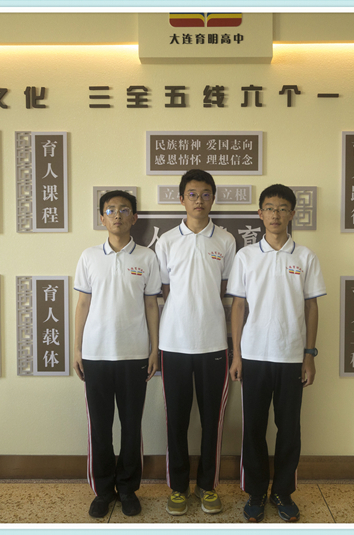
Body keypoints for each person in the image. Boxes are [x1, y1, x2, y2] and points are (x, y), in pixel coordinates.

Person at [227, 184, 327, 523]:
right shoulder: (246, 256)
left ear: (292, 214)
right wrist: (237, 355)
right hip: (254, 356)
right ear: (260, 214)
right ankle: (256, 492)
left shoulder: (305, 257)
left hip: (291, 357)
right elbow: (238, 306)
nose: (275, 214)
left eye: (283, 208)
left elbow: (311, 307)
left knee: (289, 430)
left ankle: (283, 492)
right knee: (254, 428)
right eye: (269, 208)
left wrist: (309, 355)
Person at [73, 190, 162, 519]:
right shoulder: (89, 257)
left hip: (134, 355)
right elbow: (83, 303)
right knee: (99, 427)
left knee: (130, 427)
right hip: (95, 355)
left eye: (124, 210)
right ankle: (103, 490)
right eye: (110, 210)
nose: (117, 215)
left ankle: (127, 488)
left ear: (134, 218)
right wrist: (77, 348)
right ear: (102, 218)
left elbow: (151, 305)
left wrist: (154, 349)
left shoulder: (147, 258)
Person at [156, 169, 237, 515]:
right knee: (176, 420)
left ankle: (207, 486)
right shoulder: (166, 241)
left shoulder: (226, 240)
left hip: (213, 343)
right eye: (192, 194)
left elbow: (226, 288)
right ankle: (178, 488)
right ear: (181, 199)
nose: (199, 200)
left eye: (205, 194)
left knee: (211, 421)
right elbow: (163, 289)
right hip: (174, 343)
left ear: (213, 198)